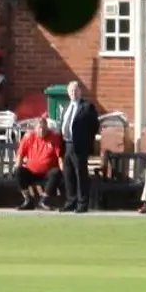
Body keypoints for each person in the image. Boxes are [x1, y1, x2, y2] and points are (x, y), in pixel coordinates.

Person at [55, 81, 99, 213]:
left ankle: (82, 203)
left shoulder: (87, 107)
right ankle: (71, 201)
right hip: (67, 144)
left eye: (76, 90)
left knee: (81, 174)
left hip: (79, 146)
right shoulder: (66, 106)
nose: (73, 93)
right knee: (68, 175)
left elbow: (94, 126)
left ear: (80, 91)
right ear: (68, 93)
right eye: (71, 91)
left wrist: (86, 140)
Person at [13, 116, 62, 211]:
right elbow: (20, 155)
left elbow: (60, 157)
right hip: (31, 172)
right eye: (39, 128)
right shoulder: (29, 137)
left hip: (47, 173)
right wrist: (16, 168)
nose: (42, 130)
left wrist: (63, 170)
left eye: (44, 128)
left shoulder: (54, 137)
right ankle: (28, 200)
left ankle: (43, 201)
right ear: (35, 128)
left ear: (47, 127)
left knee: (56, 172)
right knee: (18, 171)